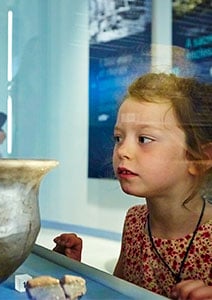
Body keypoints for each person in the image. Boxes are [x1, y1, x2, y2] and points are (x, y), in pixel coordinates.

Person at [53, 72, 212, 300]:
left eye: (144, 139)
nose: (122, 151)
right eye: (118, 138)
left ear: (199, 159)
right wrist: (75, 272)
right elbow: (119, 293)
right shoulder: (135, 221)